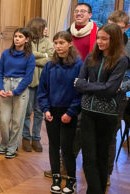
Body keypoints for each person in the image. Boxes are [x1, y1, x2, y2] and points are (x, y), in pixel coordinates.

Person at [74, 23, 128, 194]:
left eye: (105, 39)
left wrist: (88, 86)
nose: (100, 41)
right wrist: (98, 86)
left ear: (115, 40)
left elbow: (111, 89)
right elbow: (78, 83)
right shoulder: (91, 57)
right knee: (89, 158)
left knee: (102, 157)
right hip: (88, 113)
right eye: (98, 38)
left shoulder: (121, 60)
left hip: (108, 115)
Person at [37, 31, 83, 194]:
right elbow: (42, 90)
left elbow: (80, 92)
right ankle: (56, 176)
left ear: (70, 44)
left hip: (69, 113)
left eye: (62, 42)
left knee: (67, 147)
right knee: (54, 146)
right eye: (55, 43)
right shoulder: (50, 65)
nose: (58, 46)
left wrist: (70, 112)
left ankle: (71, 180)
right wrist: (46, 109)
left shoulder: (78, 65)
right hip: (52, 112)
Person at [0, 27, 35, 159]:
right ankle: (6, 142)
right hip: (6, 85)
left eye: (20, 37)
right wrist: (0, 88)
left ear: (27, 40)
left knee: (17, 121)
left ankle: (12, 147)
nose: (17, 39)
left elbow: (28, 78)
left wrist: (16, 91)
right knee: (3, 120)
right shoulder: (6, 53)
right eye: (16, 36)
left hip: (21, 87)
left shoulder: (30, 57)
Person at [22, 18, 54, 153]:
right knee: (27, 111)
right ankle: (25, 137)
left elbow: (52, 58)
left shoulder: (48, 41)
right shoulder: (27, 41)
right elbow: (28, 56)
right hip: (29, 82)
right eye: (43, 27)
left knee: (39, 112)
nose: (46, 29)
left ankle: (36, 138)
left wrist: (37, 59)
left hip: (43, 83)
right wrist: (43, 55)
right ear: (37, 28)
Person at [106, 10, 130, 185]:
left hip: (118, 96)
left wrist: (122, 88)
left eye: (118, 28)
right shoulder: (102, 42)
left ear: (126, 28)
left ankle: (105, 173)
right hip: (98, 93)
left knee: (110, 135)